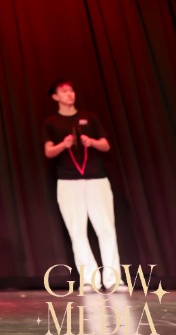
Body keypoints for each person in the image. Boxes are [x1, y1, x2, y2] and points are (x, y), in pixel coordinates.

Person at [42, 79, 120, 291]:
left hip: (96, 178)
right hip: (68, 181)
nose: (70, 94)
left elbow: (105, 145)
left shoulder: (89, 117)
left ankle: (113, 280)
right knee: (77, 231)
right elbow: (48, 151)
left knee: (106, 228)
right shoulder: (51, 122)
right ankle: (90, 280)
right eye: (64, 91)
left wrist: (91, 142)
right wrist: (63, 145)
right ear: (55, 97)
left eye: (71, 90)